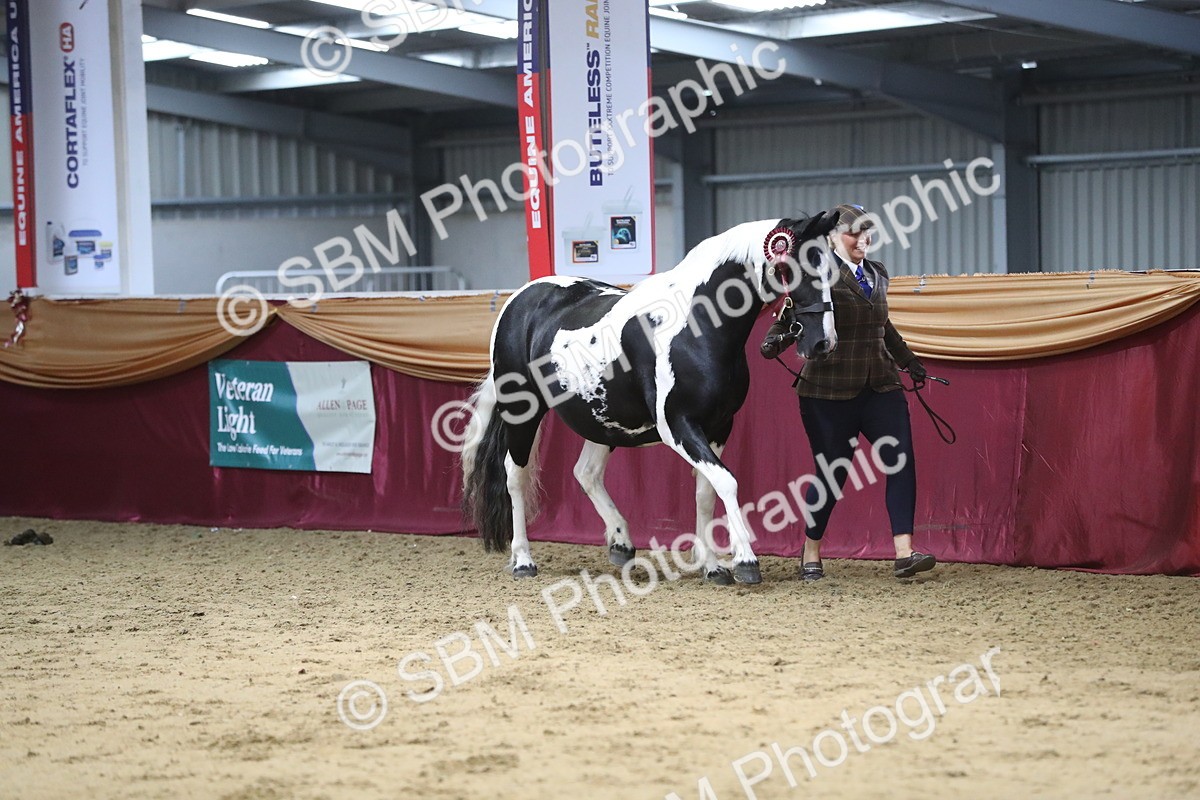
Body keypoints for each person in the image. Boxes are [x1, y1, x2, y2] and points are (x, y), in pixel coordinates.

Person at [760, 203, 936, 581]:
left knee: (900, 461)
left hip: (881, 384)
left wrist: (909, 361)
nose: (862, 239)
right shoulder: (817, 274)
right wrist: (774, 340)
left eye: (866, 232)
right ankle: (811, 549)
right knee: (832, 474)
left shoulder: (878, 272)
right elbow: (793, 317)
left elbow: (883, 326)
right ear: (833, 238)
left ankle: (904, 553)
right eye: (853, 233)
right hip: (828, 392)